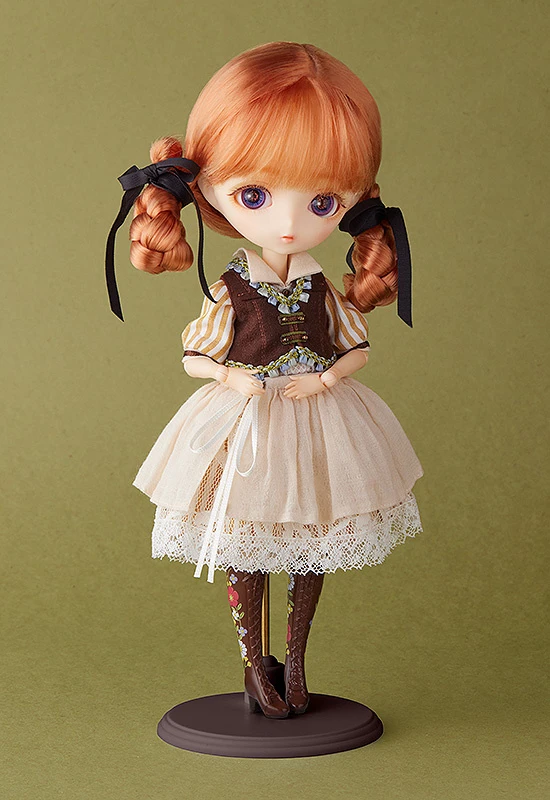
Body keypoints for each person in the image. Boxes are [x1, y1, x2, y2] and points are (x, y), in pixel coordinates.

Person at [114, 42, 424, 719]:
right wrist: (229, 377)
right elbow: (194, 356)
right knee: (246, 538)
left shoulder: (321, 287)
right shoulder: (231, 288)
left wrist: (327, 379)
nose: (287, 223)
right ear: (207, 190)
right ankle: (255, 662)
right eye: (254, 195)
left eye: (322, 200)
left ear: (353, 202)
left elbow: (357, 349)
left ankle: (298, 659)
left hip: (317, 420)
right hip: (248, 422)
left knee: (313, 537)